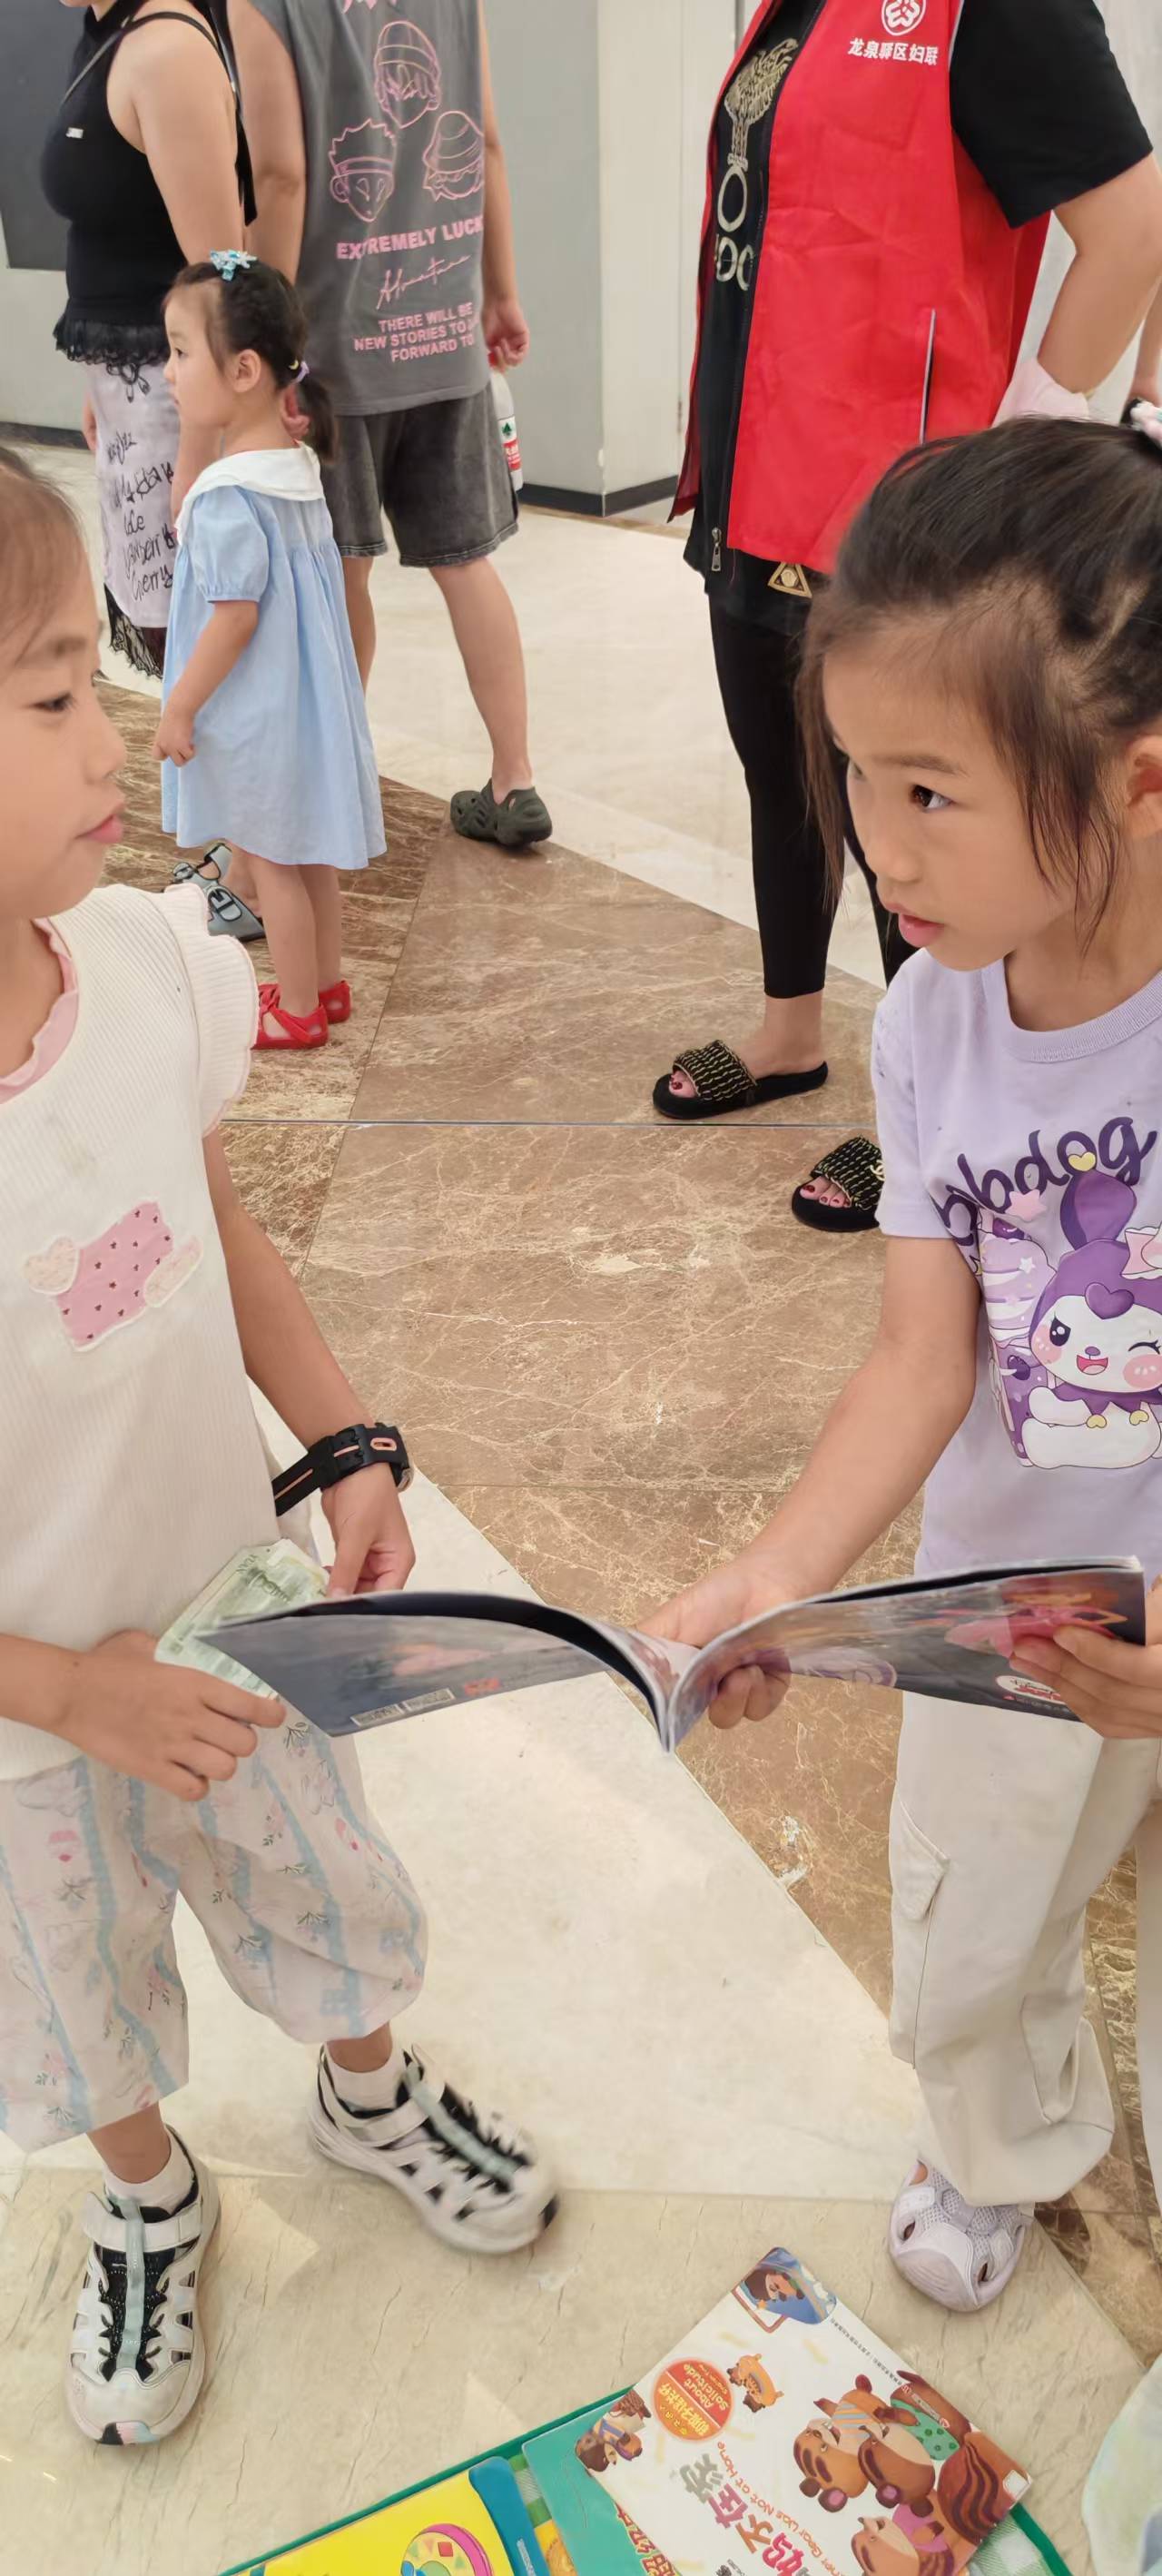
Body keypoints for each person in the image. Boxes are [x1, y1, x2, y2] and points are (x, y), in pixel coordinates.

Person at [0, 447, 555, 2447]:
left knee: (318, 1881)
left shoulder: (149, 965)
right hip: (24, 1721)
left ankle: (367, 2088)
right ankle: (151, 2192)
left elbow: (219, 1232)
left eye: (91, 674)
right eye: (48, 695)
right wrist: (69, 1687)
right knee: (76, 1991)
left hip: (228, 1611)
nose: (112, 734)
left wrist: (341, 1441)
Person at [648, 412, 1162, 2314]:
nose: (879, 842)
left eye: (933, 790)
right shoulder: (933, 1023)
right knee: (965, 1925)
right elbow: (918, 1355)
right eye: (858, 777)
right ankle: (1001, 2139)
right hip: (1007, 1606)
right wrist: (778, 1573)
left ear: (1138, 777)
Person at [655, 0, 1162, 1239]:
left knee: (913, 807)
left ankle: (926, 1114)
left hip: (900, 503)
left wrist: (1031, 425)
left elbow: (1134, 220)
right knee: (782, 772)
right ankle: (788, 1031)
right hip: (760, 460)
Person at [223, 0, 553, 854]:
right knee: (466, 562)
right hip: (444, 333)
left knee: (343, 569)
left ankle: (335, 784)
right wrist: (501, 292)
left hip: (334, 349)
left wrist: (269, 347)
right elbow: (485, 142)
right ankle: (515, 778)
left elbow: (282, 178)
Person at [155, 254, 382, 1051]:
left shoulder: (226, 496)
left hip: (257, 715)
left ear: (245, 370)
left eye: (181, 351)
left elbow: (233, 620)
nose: (169, 371)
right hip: (303, 708)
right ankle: (327, 984)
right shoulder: (295, 469)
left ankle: (296, 1009)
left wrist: (180, 705)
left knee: (271, 863)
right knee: (309, 856)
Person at [40, 0, 251, 681]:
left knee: (196, 635)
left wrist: (198, 447)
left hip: (176, 399)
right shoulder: (111, 34)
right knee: (168, 633)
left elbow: (221, 278)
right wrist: (104, 380)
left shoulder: (166, 51)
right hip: (135, 391)